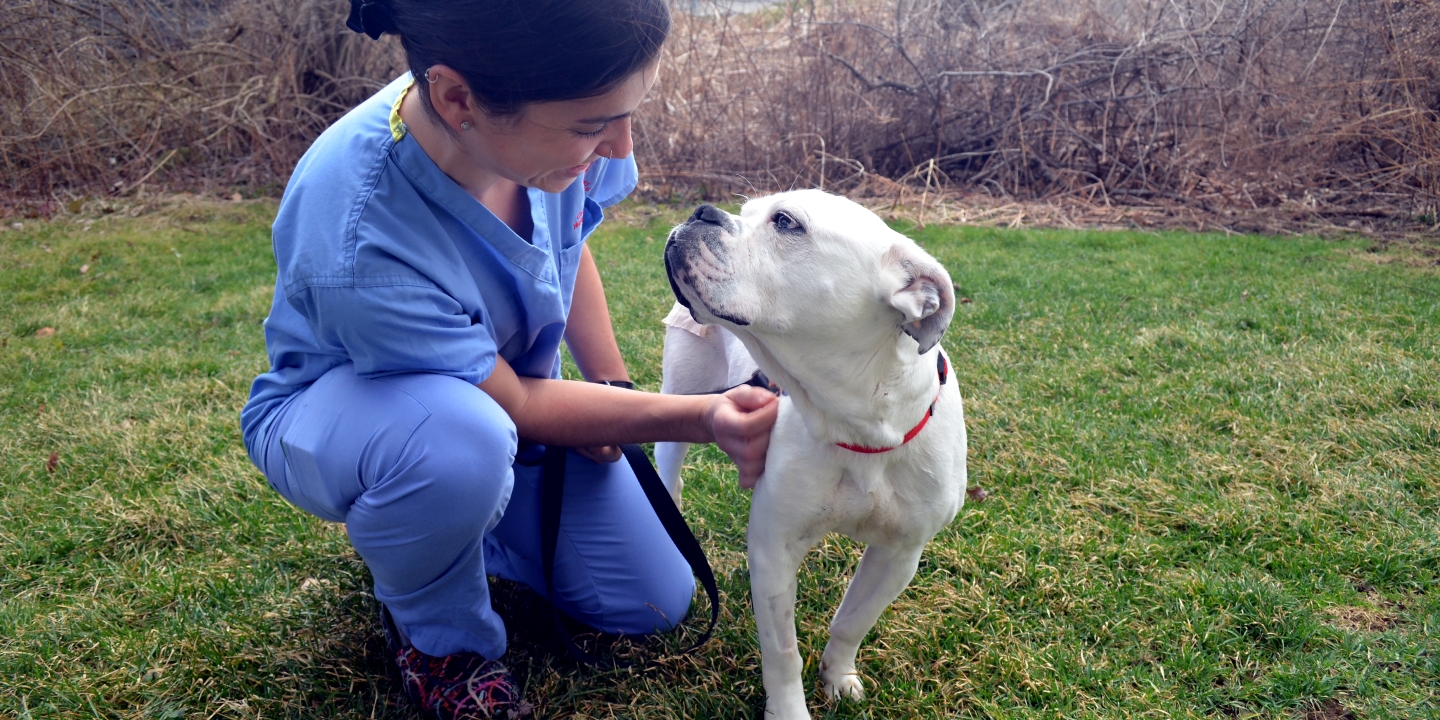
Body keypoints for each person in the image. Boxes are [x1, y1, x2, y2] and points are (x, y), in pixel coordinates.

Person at [238, 1, 780, 717]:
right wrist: (706, 416)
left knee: (651, 600)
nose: (621, 147)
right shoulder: (358, 233)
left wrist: (609, 389)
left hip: (496, 412)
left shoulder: (544, 132)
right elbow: (517, 407)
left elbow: (569, 243)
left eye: (626, 114)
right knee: (456, 446)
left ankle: (448, 532)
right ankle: (439, 644)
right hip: (356, 419)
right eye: (595, 125)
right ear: (457, 97)